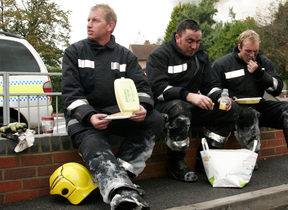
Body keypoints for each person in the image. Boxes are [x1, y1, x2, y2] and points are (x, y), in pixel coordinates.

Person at [61, 4, 164, 209]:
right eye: (88, 20)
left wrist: (142, 106)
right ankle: (121, 193)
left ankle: (122, 174)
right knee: (95, 146)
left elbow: (143, 86)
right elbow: (71, 93)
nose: (89, 25)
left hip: (116, 116)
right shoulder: (74, 52)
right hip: (83, 119)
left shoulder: (125, 55)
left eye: (95, 20)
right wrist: (89, 116)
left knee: (156, 120)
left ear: (110, 26)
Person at [212, 30, 288, 178]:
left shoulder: (263, 62)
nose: (252, 55)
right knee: (248, 113)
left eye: (255, 52)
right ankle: (250, 159)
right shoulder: (222, 64)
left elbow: (277, 89)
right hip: (236, 109)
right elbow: (211, 88)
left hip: (260, 105)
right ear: (239, 47)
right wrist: (224, 98)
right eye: (248, 51)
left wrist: (260, 74)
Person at [146, 19, 240, 183]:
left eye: (197, 41)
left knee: (230, 109)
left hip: (191, 105)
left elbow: (211, 85)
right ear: (177, 38)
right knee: (180, 108)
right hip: (165, 105)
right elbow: (158, 89)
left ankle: (206, 158)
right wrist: (188, 95)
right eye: (190, 41)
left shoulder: (201, 57)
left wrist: (220, 97)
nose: (194, 46)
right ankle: (175, 163)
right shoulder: (159, 55)